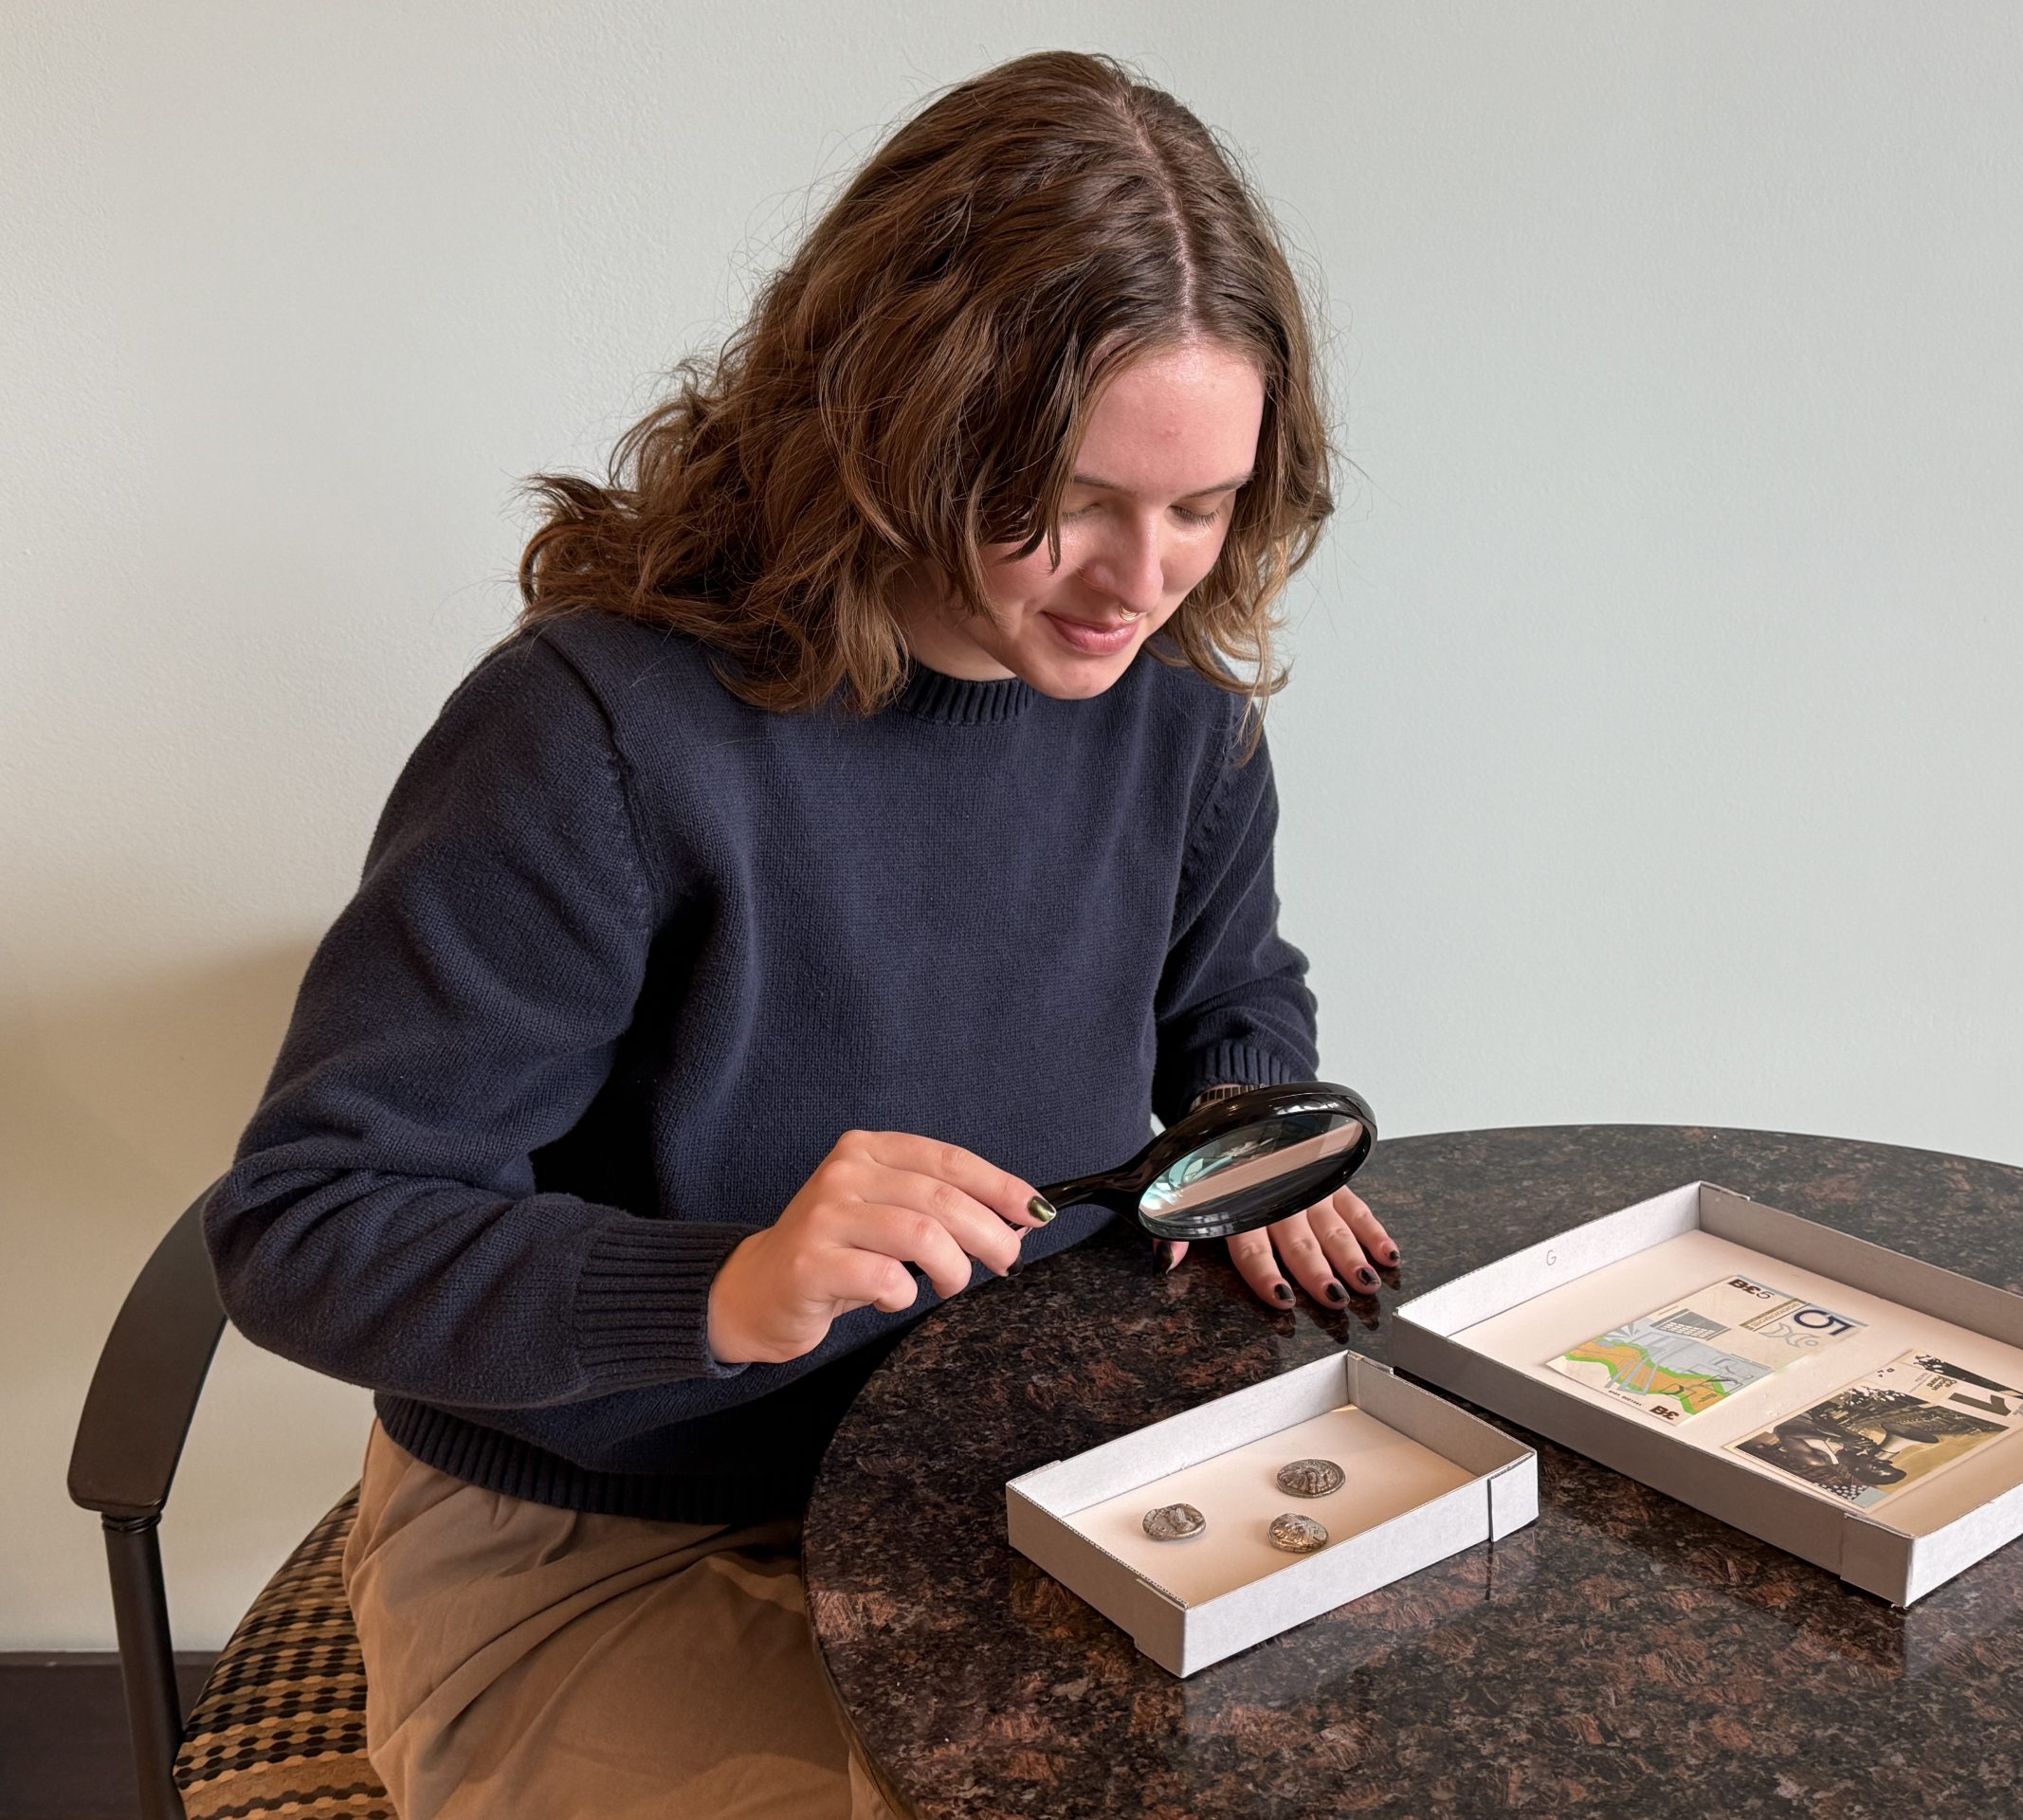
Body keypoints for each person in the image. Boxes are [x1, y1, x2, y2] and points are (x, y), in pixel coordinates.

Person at [202, 48, 1395, 1820]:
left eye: (1201, 506)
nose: (1139, 581)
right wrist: (730, 1285)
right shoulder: (598, 735)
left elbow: (1231, 995)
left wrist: (1248, 1129)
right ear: (907, 424)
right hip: (599, 1550)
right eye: (1065, 497)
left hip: (1003, 1485)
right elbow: (306, 1229)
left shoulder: (1180, 720)